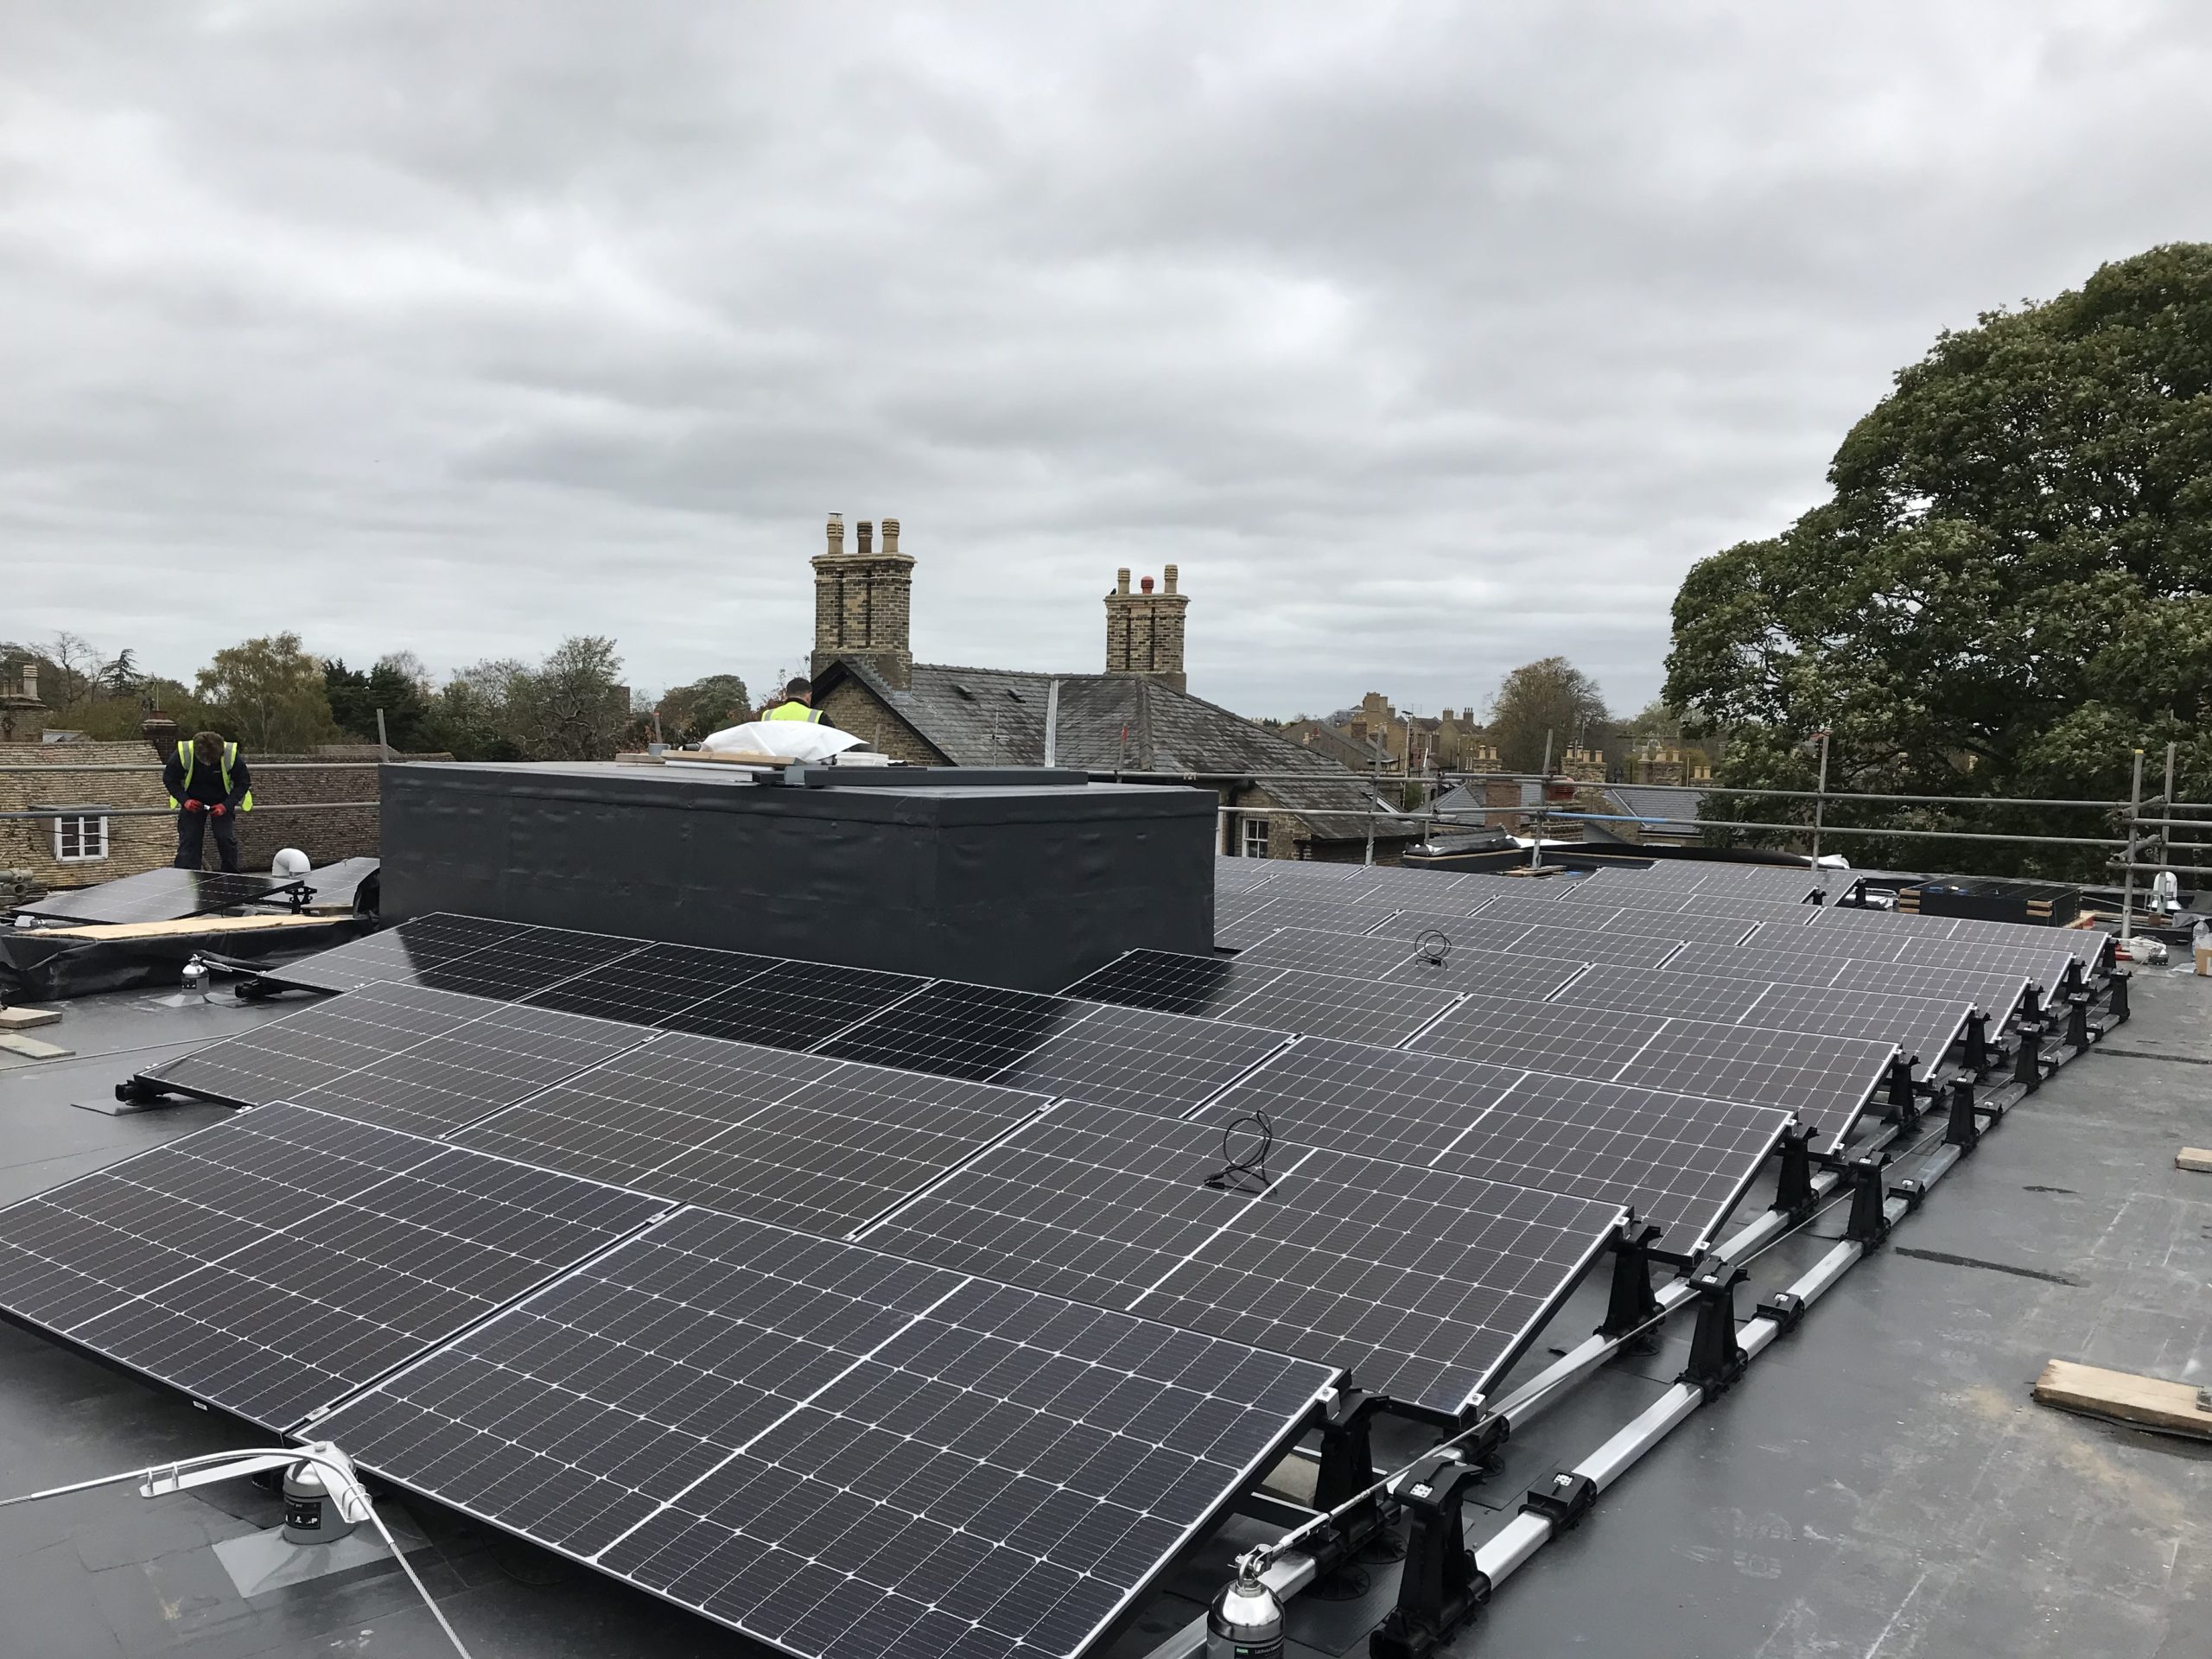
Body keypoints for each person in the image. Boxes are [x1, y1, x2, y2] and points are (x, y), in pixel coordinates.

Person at [164, 729, 254, 872]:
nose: (208, 764)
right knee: (189, 841)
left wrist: (226, 806)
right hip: (192, 801)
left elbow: (243, 783)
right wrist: (185, 801)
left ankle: (231, 877)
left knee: (225, 839)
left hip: (222, 800)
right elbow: (169, 779)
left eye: (212, 761)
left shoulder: (231, 755)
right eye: (205, 761)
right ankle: (186, 876)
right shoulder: (184, 753)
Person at [761, 676, 831, 725]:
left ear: (786, 695)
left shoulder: (767, 715)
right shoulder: (819, 717)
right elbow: (835, 742)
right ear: (809, 696)